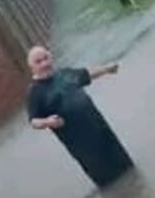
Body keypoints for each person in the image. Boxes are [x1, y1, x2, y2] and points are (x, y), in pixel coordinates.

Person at [26, 45, 135, 189]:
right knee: (110, 184)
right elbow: (33, 121)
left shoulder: (64, 73)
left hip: (103, 133)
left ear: (51, 57)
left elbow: (87, 74)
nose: (44, 64)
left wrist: (107, 69)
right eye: (38, 62)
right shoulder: (34, 93)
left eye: (46, 58)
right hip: (84, 147)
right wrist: (48, 122)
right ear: (32, 67)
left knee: (129, 170)